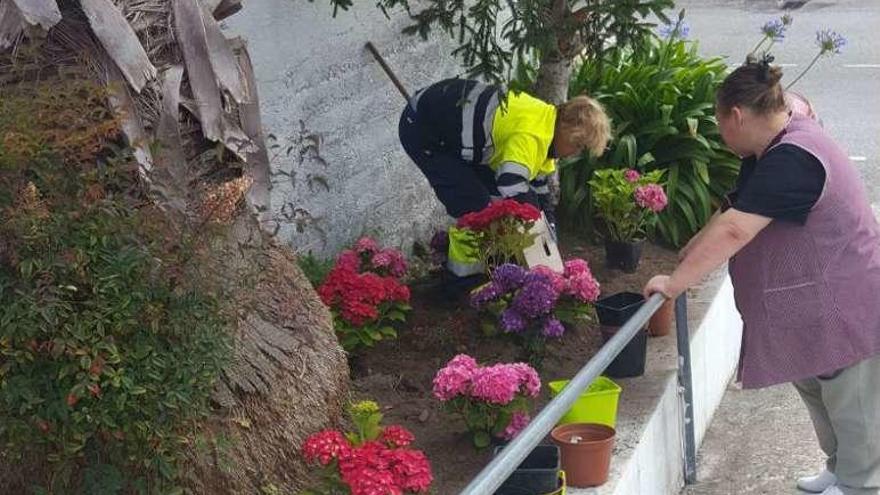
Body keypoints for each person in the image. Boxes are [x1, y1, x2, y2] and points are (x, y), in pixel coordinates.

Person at [643, 59, 880, 495]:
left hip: (849, 299)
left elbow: (737, 228)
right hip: (815, 304)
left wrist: (675, 283)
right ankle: (838, 467)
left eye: (720, 124)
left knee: (853, 401)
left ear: (736, 116)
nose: (721, 135)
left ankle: (862, 484)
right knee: (818, 385)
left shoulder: (794, 158)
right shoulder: (769, 145)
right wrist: (694, 246)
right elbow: (734, 207)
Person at [399, 78, 610, 285]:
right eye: (577, 145)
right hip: (424, 129)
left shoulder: (546, 123)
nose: (574, 153)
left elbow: (539, 191)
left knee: (496, 199)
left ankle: (492, 269)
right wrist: (536, 231)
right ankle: (459, 280)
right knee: (472, 205)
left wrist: (549, 232)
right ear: (566, 129)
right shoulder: (532, 136)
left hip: (455, 131)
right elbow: (512, 183)